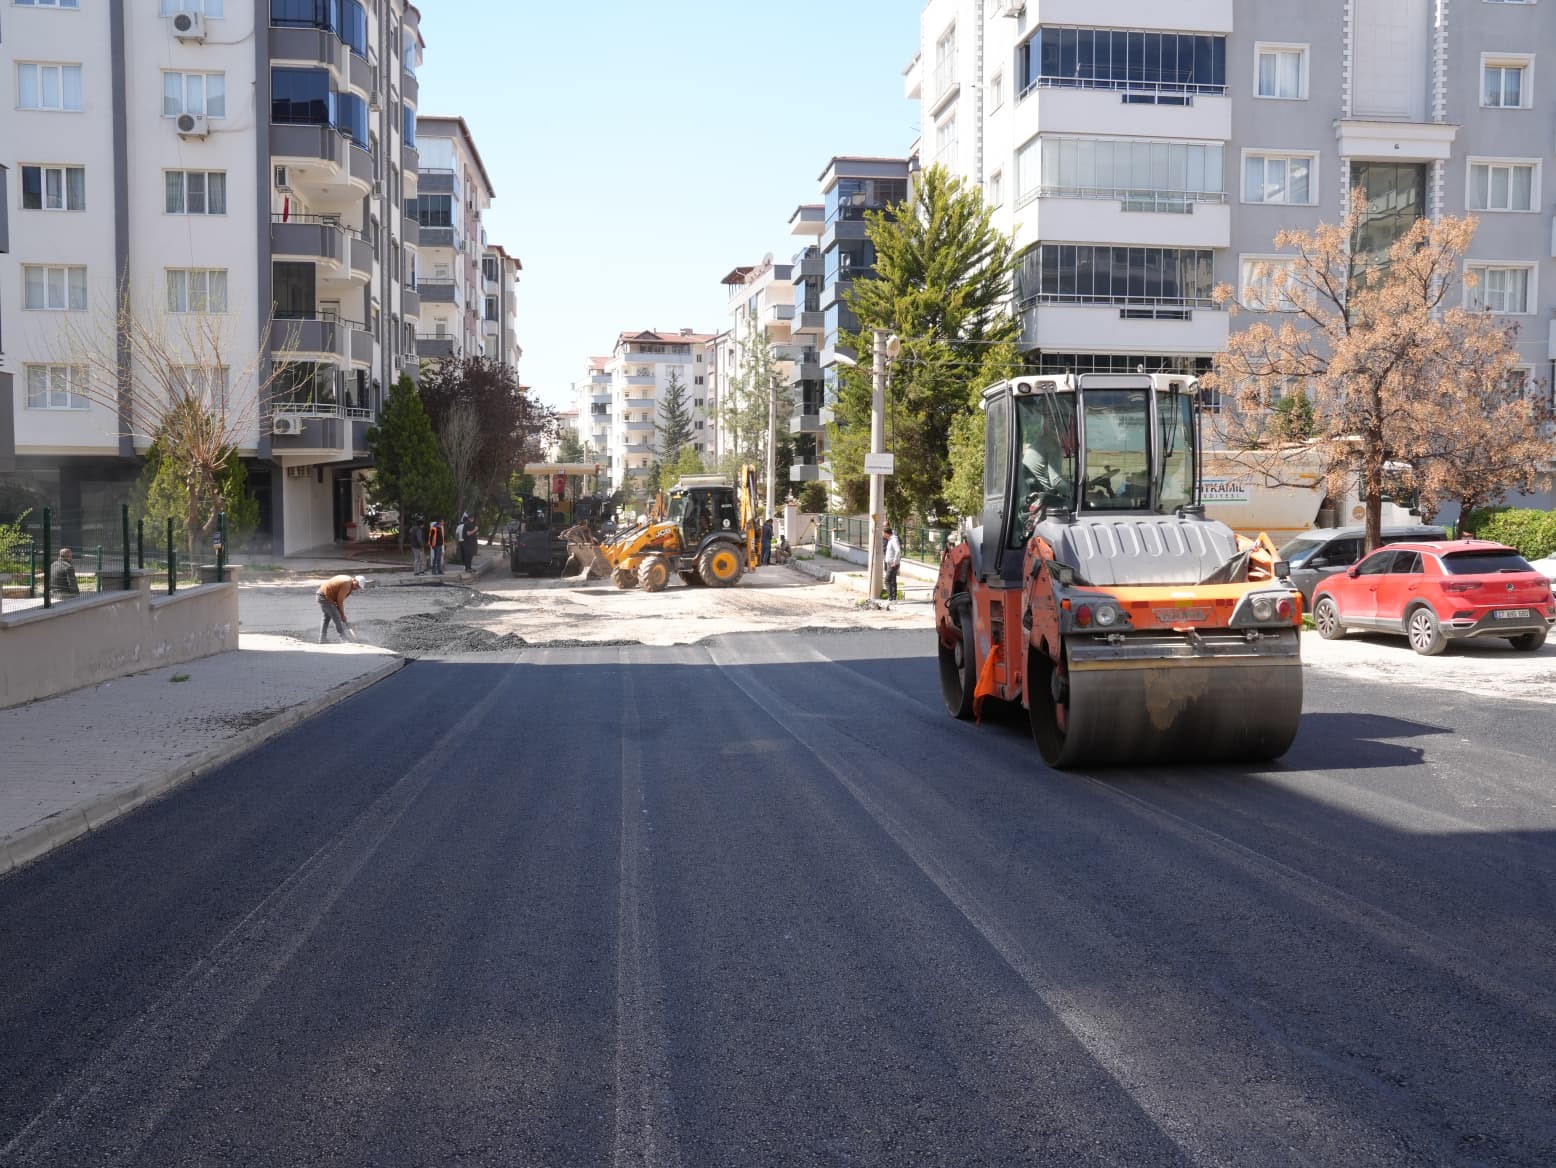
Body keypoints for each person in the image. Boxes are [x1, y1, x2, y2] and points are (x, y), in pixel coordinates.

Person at [317, 573, 366, 643]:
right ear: (354, 580)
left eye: (359, 587)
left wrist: (340, 612)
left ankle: (322, 639)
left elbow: (338, 600)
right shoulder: (347, 585)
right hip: (324, 596)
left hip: (323, 595)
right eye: (357, 585)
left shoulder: (349, 582)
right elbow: (340, 601)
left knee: (326, 617)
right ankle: (344, 639)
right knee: (337, 617)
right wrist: (342, 615)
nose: (357, 588)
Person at [883, 524, 902, 603]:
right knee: (892, 581)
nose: (882, 534)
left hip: (892, 564)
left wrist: (895, 561)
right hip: (891, 563)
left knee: (887, 580)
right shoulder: (891, 540)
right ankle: (893, 599)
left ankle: (890, 598)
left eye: (883, 533)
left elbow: (898, 550)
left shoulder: (893, 540)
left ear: (887, 533)